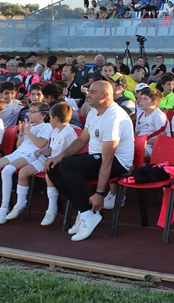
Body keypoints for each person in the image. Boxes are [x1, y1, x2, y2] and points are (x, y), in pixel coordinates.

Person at [46, 81, 135, 242]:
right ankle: (85, 212)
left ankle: (86, 214)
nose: (88, 94)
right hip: (97, 156)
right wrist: (59, 156)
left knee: (68, 166)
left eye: (92, 92)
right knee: (53, 167)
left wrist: (100, 194)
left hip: (117, 162)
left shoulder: (114, 118)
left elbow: (107, 161)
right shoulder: (94, 112)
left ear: (105, 95)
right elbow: (81, 141)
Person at [0, 101, 53, 223]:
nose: (29, 114)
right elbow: (19, 146)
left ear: (43, 115)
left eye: (33, 112)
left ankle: (4, 208)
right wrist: (22, 134)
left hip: (32, 155)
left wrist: (28, 132)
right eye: (29, 111)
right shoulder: (29, 125)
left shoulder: (47, 127)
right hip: (19, 153)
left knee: (7, 171)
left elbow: (41, 144)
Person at [11, 102, 79, 226]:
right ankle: (20, 203)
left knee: (49, 175)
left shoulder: (69, 132)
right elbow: (52, 149)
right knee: (23, 172)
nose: (49, 120)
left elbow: (73, 153)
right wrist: (43, 151)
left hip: (60, 164)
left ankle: (52, 209)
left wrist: (56, 159)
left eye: (51, 117)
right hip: (48, 160)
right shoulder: (55, 131)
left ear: (55, 119)